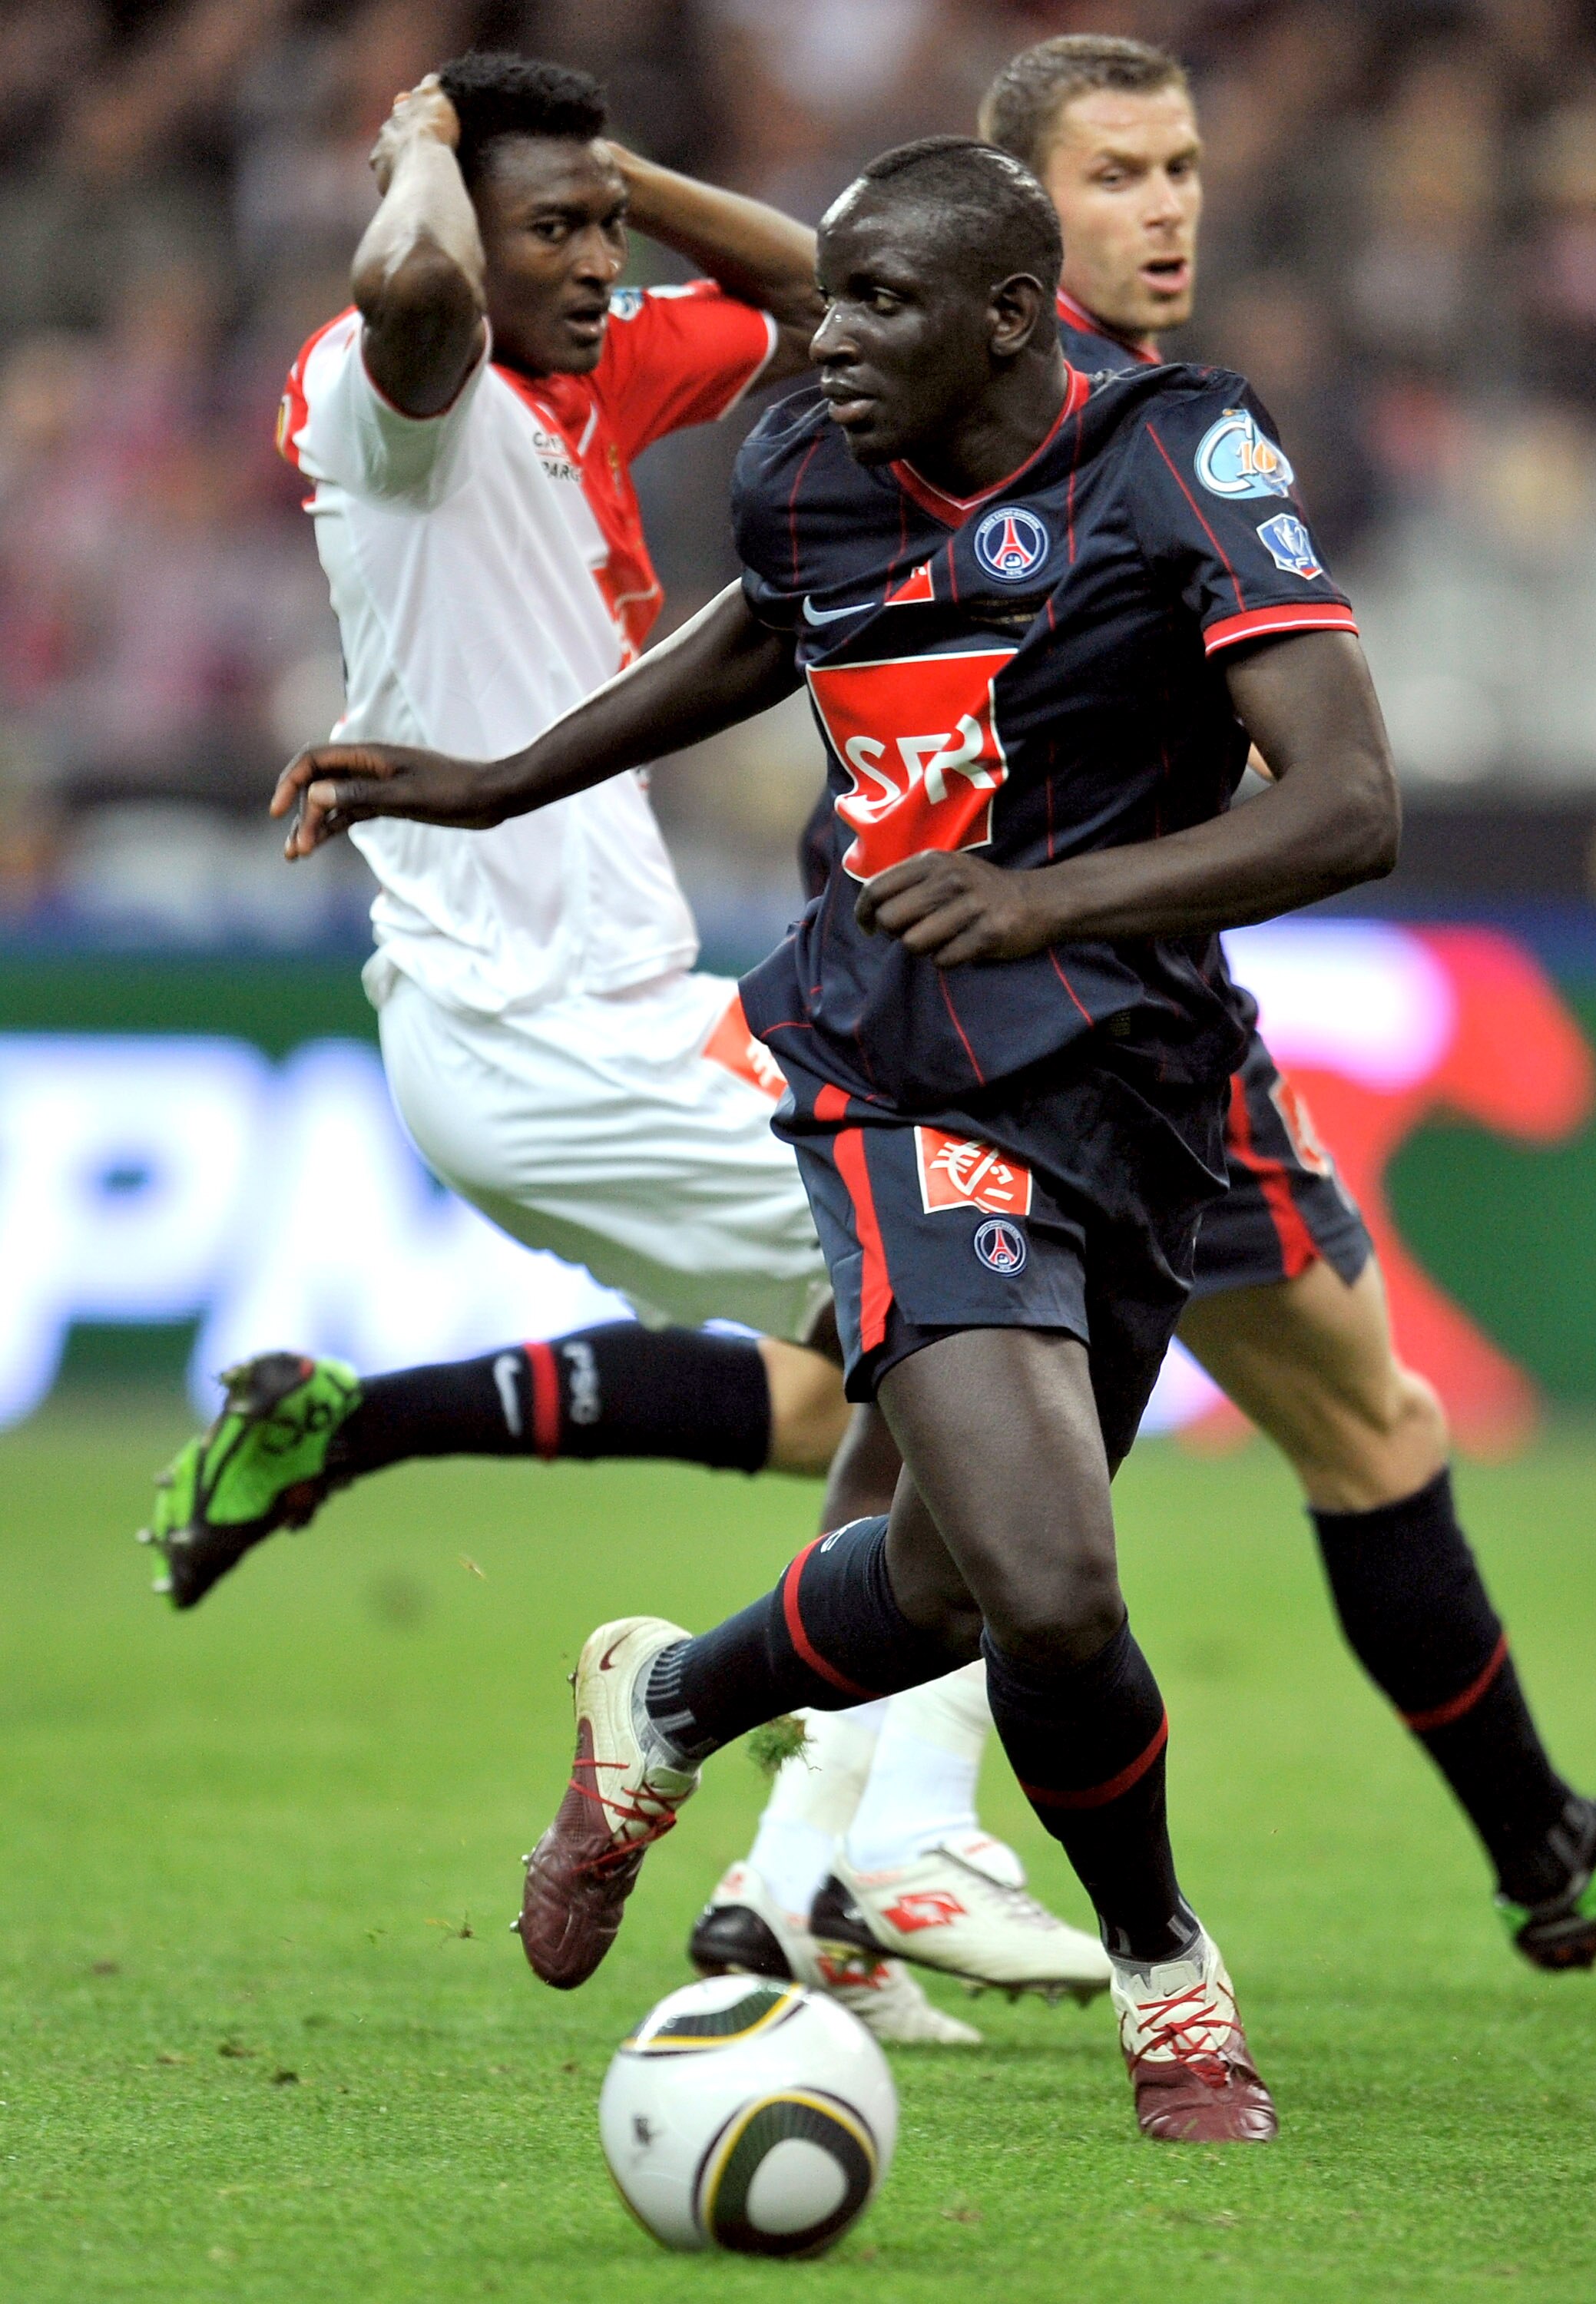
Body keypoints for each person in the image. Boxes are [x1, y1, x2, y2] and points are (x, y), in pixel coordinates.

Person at [272, 130, 1413, 2143]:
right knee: (1055, 1587)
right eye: (836, 296)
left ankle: (677, 1704)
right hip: (894, 1070)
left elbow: (1347, 804)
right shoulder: (815, 460)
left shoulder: (1171, 463)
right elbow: (753, 636)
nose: (831, 335)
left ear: (1004, 317)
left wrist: (1055, 900)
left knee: (969, 1590)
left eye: (878, 304)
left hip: (1136, 1085)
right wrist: (486, 784)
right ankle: (1168, 1972)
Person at [704, 33, 1596, 1998]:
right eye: (1119, 173)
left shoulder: (1160, 421)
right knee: (967, 1488)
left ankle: (826, 1861)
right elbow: (814, 282)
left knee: (1309, 1426)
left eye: (1186, 166)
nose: (1171, 206)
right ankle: (837, 1859)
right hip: (963, 1027)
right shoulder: (944, 388)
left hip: (1143, 1035)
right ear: (1022, 221)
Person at [138, 49, 1018, 2044]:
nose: (599, 262)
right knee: (992, 1337)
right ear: (461, 222)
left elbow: (838, 296)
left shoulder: (585, 372)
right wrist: (424, 154)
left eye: (606, 227)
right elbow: (418, 295)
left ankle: (361, 1433)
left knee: (843, 1403)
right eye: (566, 231)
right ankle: (873, 1845)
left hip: (612, 1023)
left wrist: (623, 172)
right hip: (547, 1032)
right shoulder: (400, 411)